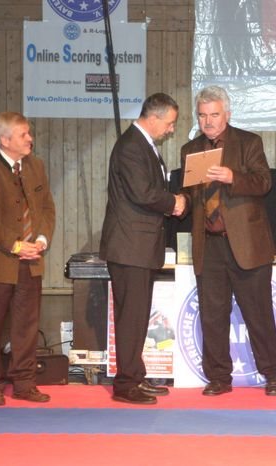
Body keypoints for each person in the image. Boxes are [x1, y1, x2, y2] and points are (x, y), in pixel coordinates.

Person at [179, 85, 276, 397]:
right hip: (209, 245)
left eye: (214, 114)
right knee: (212, 316)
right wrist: (180, 202)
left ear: (227, 114)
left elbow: (264, 183)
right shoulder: (190, 149)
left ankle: (273, 375)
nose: (208, 121)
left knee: (259, 314)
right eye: (202, 115)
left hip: (247, 244)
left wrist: (232, 177)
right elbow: (191, 194)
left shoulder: (248, 142)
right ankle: (218, 378)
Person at [99, 93, 185, 405]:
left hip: (138, 246)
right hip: (129, 246)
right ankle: (125, 384)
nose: (171, 129)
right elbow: (142, 193)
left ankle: (134, 375)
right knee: (130, 318)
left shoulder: (142, 144)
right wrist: (174, 202)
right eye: (170, 123)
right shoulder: (131, 147)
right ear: (154, 117)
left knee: (136, 317)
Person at [0, 112, 55, 406]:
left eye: (29, 133)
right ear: (4, 140)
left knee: (26, 327)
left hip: (31, 261)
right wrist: (16, 246)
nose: (30, 139)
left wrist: (41, 240)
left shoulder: (36, 166)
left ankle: (24, 383)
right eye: (23, 134)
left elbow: (47, 209)